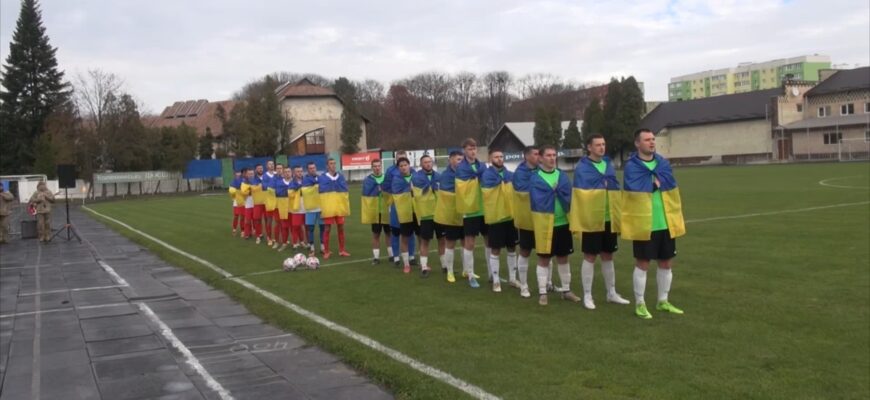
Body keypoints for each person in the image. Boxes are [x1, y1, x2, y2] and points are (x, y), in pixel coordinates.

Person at [622, 128, 687, 319]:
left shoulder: (663, 164)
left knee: (666, 262)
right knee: (643, 263)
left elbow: (669, 183)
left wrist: (656, 183)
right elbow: (634, 189)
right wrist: (652, 185)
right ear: (637, 143)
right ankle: (640, 304)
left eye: (653, 139)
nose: (652, 142)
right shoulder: (632, 166)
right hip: (644, 223)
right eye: (647, 140)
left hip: (666, 221)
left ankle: (662, 301)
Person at [569, 134, 630, 310]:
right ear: (589, 147)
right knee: (590, 255)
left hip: (609, 217)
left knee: (608, 254)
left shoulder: (608, 165)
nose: (602, 147)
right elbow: (581, 191)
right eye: (598, 145)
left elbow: (613, 185)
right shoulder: (583, 167)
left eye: (603, 144)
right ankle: (587, 295)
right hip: (591, 219)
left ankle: (611, 292)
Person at [530, 146, 581, 306]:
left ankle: (566, 290)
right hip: (544, 223)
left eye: (554, 155)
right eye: (548, 155)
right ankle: (542, 292)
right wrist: (551, 192)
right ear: (541, 158)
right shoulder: (535, 177)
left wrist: (558, 192)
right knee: (544, 258)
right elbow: (536, 198)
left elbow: (569, 195)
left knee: (563, 257)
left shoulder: (562, 176)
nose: (552, 158)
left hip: (563, 223)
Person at [511, 146, 548, 298]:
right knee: (525, 250)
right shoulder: (520, 173)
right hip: (527, 218)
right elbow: (523, 190)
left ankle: (547, 283)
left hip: (542, 216)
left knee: (545, 251)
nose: (538, 156)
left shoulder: (542, 170)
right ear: (526, 156)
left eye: (539, 153)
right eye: (535, 153)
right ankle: (524, 285)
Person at [481, 149, 518, 293]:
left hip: (510, 216)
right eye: (496, 157)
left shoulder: (509, 174)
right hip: (496, 217)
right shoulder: (488, 175)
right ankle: (496, 281)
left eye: (501, 156)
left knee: (512, 247)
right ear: (491, 159)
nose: (500, 159)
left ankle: (512, 278)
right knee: (495, 249)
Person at [456, 138, 487, 288]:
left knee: (489, 241)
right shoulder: (461, 168)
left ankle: (492, 273)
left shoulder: (482, 166)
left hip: (485, 208)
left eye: (474, 148)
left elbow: (488, 181)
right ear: (464, 150)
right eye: (469, 148)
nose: (473, 151)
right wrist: (476, 180)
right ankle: (470, 274)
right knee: (470, 242)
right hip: (470, 210)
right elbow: (462, 187)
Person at [433, 151, 465, 283]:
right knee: (450, 243)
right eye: (458, 159)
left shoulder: (465, 173)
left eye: (462, 160)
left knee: (466, 242)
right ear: (450, 160)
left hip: (465, 214)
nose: (460, 162)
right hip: (451, 215)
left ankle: (466, 270)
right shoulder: (445, 175)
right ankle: (450, 272)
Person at [383, 151, 416, 266]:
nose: (402, 163)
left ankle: (411, 256)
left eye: (404, 160)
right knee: (396, 231)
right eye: (399, 160)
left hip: (410, 206)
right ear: (396, 160)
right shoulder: (390, 171)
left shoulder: (413, 172)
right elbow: (386, 187)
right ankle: (396, 256)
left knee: (410, 232)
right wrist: (391, 201)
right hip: (396, 205)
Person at [411, 154, 440, 277]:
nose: (428, 164)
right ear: (421, 164)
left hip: (439, 213)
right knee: (425, 241)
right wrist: (429, 187)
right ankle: (424, 266)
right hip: (425, 214)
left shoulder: (438, 176)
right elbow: (416, 195)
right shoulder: (416, 177)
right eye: (425, 162)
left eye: (430, 161)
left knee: (442, 240)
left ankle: (445, 266)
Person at [361, 159, 392, 264]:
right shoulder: (368, 180)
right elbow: (366, 194)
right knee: (376, 234)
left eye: (378, 166)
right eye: (374, 166)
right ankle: (376, 257)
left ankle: (391, 255)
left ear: (381, 167)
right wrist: (376, 190)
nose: (377, 168)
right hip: (375, 212)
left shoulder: (386, 179)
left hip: (387, 211)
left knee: (389, 233)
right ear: (372, 167)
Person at [319, 158, 351, 259]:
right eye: (331, 164)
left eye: (334, 163)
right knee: (327, 229)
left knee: (341, 228)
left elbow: (345, 189)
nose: (333, 165)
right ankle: (327, 251)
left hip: (339, 207)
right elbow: (321, 190)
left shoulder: (340, 177)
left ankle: (342, 250)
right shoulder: (323, 177)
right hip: (328, 207)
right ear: (327, 166)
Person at [392, 157, 418, 274]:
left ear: (409, 165)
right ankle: (406, 264)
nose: (403, 167)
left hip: (417, 211)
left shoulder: (416, 176)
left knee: (421, 236)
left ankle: (423, 263)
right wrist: (410, 189)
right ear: (399, 168)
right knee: (405, 238)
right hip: (405, 212)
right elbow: (397, 193)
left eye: (405, 165)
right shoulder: (396, 179)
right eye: (401, 166)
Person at [301, 162, 325, 257]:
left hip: (320, 208)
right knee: (310, 229)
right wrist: (316, 186)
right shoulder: (305, 180)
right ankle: (312, 248)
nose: (313, 169)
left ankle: (323, 247)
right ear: (308, 170)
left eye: (314, 168)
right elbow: (306, 191)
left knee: (322, 228)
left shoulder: (320, 178)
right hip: (310, 209)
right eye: (310, 168)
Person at [274, 166, 294, 251]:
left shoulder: (295, 182)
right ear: (283, 173)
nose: (287, 173)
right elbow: (278, 192)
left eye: (289, 171)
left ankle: (296, 243)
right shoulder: (278, 182)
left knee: (295, 226)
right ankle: (284, 243)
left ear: (291, 172)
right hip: (283, 207)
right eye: (285, 172)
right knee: (284, 226)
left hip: (293, 207)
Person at [289, 166, 307, 248]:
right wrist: (297, 190)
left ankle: (304, 242)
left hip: (306, 207)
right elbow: (290, 194)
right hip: (296, 208)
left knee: (307, 226)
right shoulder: (292, 183)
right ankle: (295, 243)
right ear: (294, 173)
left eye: (301, 171)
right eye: (297, 171)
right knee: (296, 226)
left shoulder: (306, 181)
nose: (299, 173)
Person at [262, 161, 279, 247]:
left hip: (278, 201)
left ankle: (276, 238)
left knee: (278, 220)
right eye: (270, 164)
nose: (272, 165)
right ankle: (269, 237)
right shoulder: (265, 176)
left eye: (273, 164)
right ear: (267, 166)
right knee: (269, 220)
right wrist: (273, 186)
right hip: (269, 200)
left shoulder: (277, 174)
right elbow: (265, 186)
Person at [251, 164, 266, 243]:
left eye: (261, 168)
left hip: (266, 202)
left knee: (268, 220)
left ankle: (269, 237)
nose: (260, 169)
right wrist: (261, 185)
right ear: (256, 170)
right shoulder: (253, 179)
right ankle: (258, 235)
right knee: (257, 220)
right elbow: (253, 189)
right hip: (257, 203)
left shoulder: (266, 177)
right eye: (258, 168)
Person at [239, 168, 255, 239]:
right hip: (248, 203)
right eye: (249, 174)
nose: (251, 175)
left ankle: (256, 233)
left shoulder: (256, 181)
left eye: (252, 173)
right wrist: (250, 190)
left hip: (256, 202)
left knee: (256, 219)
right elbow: (243, 193)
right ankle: (247, 233)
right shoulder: (244, 182)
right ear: (246, 174)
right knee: (247, 219)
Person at [228, 170, 244, 236]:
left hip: (243, 201)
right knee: (236, 216)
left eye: (239, 175)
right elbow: (231, 192)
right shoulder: (232, 182)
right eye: (237, 175)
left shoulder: (243, 181)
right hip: (236, 201)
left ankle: (243, 230)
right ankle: (234, 229)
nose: (238, 176)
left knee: (243, 216)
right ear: (234, 175)